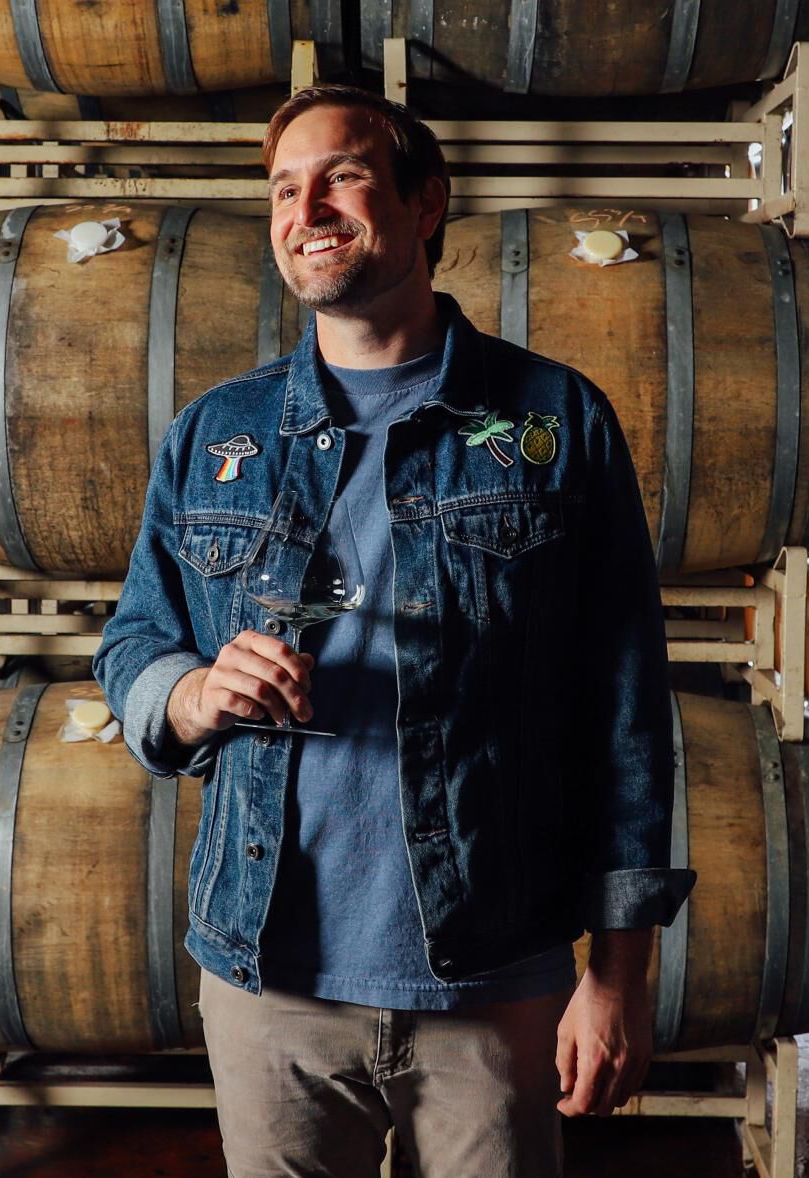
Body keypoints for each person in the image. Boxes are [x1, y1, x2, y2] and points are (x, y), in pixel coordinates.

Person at [94, 83, 694, 1176]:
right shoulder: (213, 432)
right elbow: (136, 638)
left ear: (426, 204)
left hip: (490, 975)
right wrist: (187, 694)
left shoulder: (554, 420)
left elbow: (625, 718)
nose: (305, 206)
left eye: (341, 176)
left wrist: (616, 977)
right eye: (284, 186)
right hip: (266, 975)